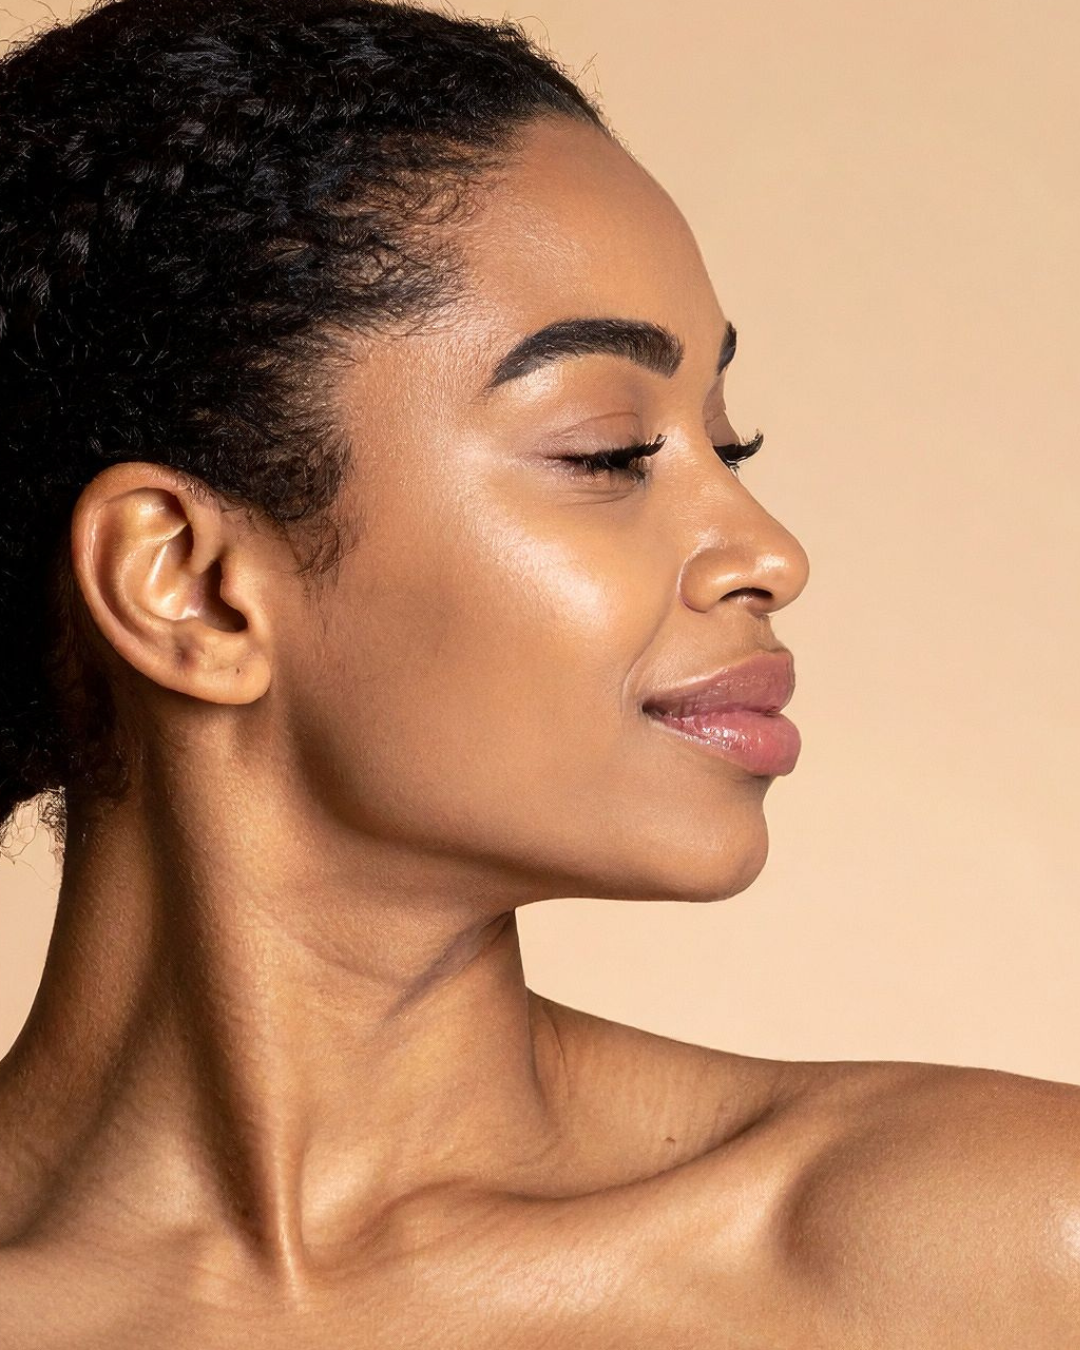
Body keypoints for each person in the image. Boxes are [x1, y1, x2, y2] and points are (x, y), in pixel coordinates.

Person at [0, 0, 1077, 1344]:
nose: (768, 552)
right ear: (190, 585)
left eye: (729, 446)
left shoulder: (995, 1250)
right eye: (608, 451)